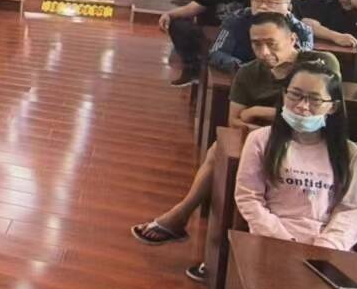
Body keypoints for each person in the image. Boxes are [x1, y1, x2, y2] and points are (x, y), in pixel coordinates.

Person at [134, 18, 340, 263]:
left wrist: (257, 112)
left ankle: (186, 222)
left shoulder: (320, 63)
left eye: (271, 43)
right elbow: (234, 121)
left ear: (292, 39)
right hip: (264, 139)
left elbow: (322, 111)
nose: (264, 52)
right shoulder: (249, 72)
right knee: (222, 150)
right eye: (256, 44)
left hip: (314, 141)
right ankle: (214, 250)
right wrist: (267, 127)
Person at [233, 57, 357, 250]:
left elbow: (352, 211)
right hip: (271, 240)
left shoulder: (350, 153)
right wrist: (284, 241)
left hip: (327, 247)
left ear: (333, 107)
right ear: (284, 94)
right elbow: (249, 198)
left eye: (314, 99)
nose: (302, 106)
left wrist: (325, 246)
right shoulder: (260, 140)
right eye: (295, 95)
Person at [207, 0, 314, 72]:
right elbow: (216, 53)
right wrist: (242, 68)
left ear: (289, 8)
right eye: (257, 1)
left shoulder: (302, 30)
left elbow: (304, 60)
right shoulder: (235, 21)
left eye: (272, 3)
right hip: (242, 75)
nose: (263, 6)